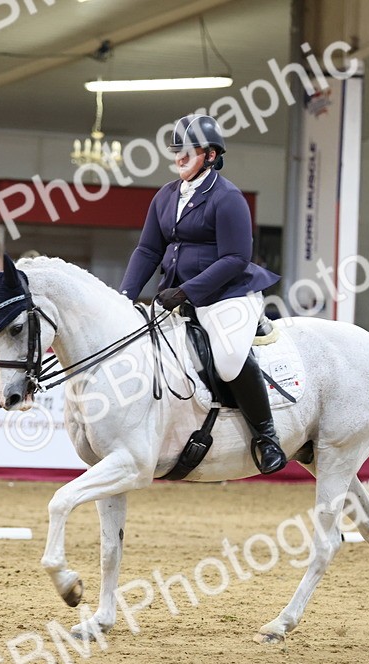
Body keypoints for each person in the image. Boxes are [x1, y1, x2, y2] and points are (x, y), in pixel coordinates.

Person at [119, 114, 285, 474]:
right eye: (175, 151)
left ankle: (266, 437)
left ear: (210, 155)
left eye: (187, 152)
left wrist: (188, 291)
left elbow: (236, 258)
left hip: (227, 297)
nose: (178, 157)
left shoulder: (228, 198)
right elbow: (148, 250)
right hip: (176, 295)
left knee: (227, 359)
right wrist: (125, 296)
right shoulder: (165, 196)